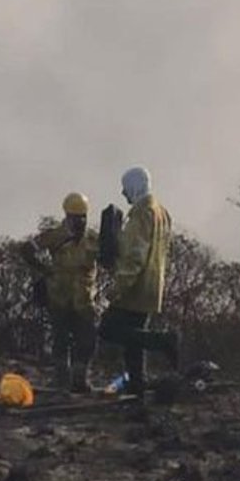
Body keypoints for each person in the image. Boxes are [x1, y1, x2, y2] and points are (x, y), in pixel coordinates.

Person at [97, 166, 179, 397]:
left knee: (109, 329)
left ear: (133, 186)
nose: (123, 194)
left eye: (125, 188)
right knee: (134, 338)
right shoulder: (162, 212)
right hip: (154, 286)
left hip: (136, 286)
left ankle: (163, 341)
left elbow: (135, 256)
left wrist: (117, 287)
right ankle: (137, 383)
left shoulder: (141, 214)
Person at [19, 192, 100, 392]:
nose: (79, 221)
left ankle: (80, 379)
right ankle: (61, 380)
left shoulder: (93, 239)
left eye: (82, 217)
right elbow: (27, 249)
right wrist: (45, 270)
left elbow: (111, 257)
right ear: (67, 216)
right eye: (75, 217)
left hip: (84, 300)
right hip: (59, 298)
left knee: (87, 340)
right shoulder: (55, 236)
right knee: (60, 339)